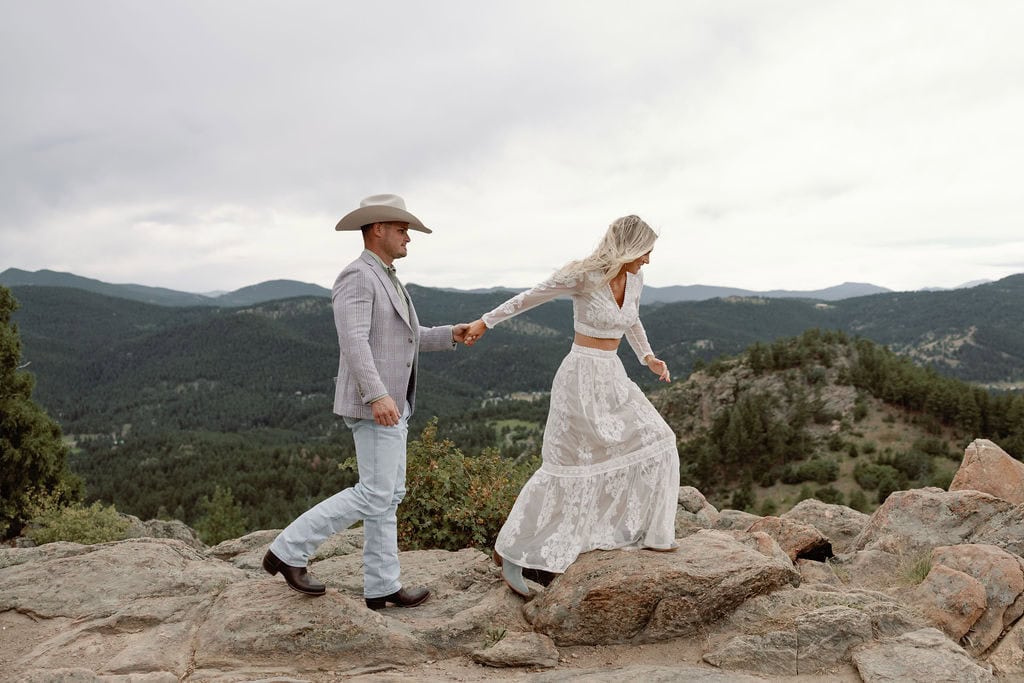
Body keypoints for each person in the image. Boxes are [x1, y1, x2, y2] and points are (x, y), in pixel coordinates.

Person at [264, 194, 469, 609]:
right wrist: (377, 394)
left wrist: (451, 334)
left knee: (388, 495)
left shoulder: (388, 276)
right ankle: (287, 551)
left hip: (396, 405)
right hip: (378, 404)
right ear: (378, 229)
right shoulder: (358, 276)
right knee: (374, 493)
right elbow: (354, 340)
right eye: (401, 229)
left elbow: (405, 339)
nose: (408, 237)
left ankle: (382, 585)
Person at [463, 214, 679, 597]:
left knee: (659, 440)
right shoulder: (583, 275)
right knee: (566, 465)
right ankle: (513, 553)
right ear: (628, 247)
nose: (647, 260)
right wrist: (485, 321)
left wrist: (649, 358)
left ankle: (642, 530)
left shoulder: (636, 279)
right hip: (579, 377)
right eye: (645, 252)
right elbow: (528, 298)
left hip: (612, 376)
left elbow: (632, 321)